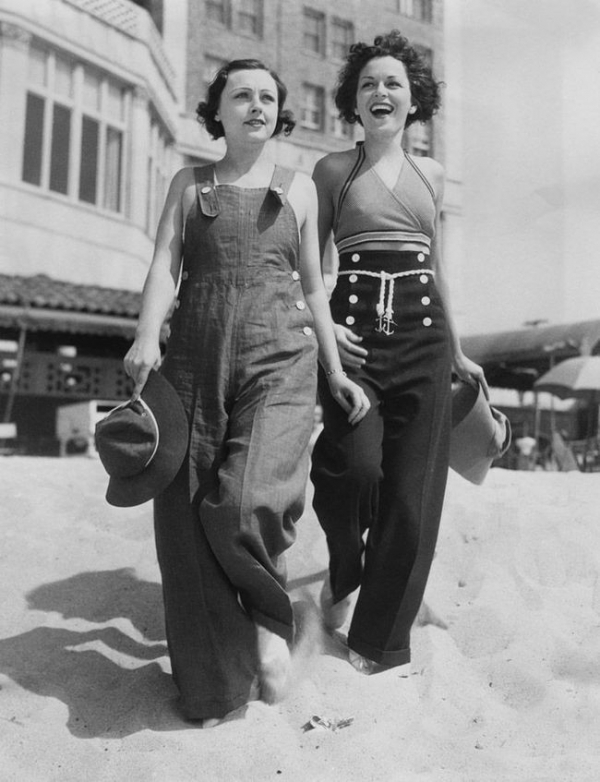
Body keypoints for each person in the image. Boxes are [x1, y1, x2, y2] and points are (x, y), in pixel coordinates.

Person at [123, 59, 370, 725]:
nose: (257, 105)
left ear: (278, 112)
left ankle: (268, 614)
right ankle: (214, 682)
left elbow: (315, 286)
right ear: (220, 111)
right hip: (193, 354)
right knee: (184, 516)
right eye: (242, 95)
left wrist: (337, 371)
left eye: (268, 96)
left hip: (280, 355)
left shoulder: (299, 190)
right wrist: (147, 335)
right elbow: (163, 266)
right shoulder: (187, 182)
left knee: (244, 499)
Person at [310, 31, 487, 674]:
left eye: (394, 84)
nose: (380, 92)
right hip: (355, 335)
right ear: (353, 103)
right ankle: (343, 568)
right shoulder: (334, 170)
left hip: (424, 339)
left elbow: (436, 266)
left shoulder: (431, 174)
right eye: (368, 84)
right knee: (350, 470)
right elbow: (313, 267)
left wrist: (459, 352)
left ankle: (376, 642)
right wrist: (324, 334)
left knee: (413, 500)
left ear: (415, 103)